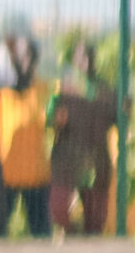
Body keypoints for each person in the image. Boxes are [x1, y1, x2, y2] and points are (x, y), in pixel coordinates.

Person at [49, 43, 116, 238]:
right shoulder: (63, 88)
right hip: (67, 158)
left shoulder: (106, 91)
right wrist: (56, 120)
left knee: (95, 218)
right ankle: (71, 237)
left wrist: (123, 109)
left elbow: (118, 117)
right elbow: (50, 117)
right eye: (82, 57)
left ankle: (90, 249)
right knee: (59, 208)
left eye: (90, 56)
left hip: (97, 159)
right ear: (75, 61)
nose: (86, 61)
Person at [0, 35, 54, 237]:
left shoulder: (45, 89)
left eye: (29, 55)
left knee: (41, 235)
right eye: (20, 56)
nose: (24, 60)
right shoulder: (1, 92)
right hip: (6, 176)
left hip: (36, 176)